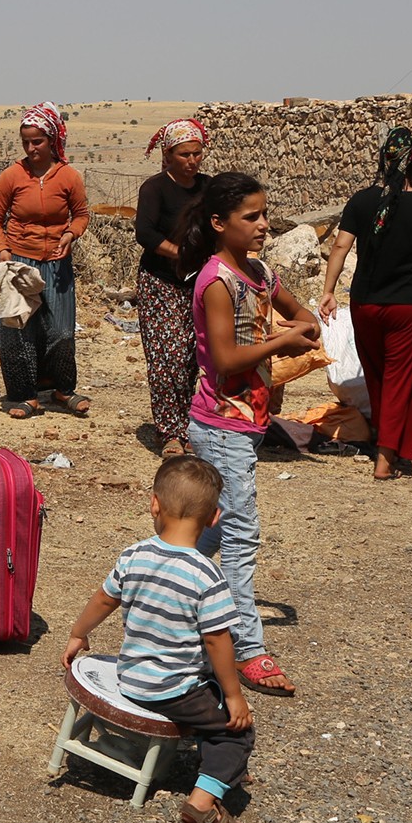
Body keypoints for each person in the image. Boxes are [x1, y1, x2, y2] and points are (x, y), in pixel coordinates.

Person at [61, 455, 254, 823]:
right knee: (235, 731)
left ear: (154, 504)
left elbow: (103, 599)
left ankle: (209, 763)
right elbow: (218, 640)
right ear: (215, 517)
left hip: (131, 676)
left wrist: (78, 634)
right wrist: (235, 696)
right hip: (172, 690)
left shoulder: (134, 555)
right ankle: (201, 807)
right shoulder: (207, 575)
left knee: (210, 693)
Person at [181, 172, 316, 698]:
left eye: (265, 214)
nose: (264, 225)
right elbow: (226, 358)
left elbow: (303, 315)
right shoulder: (216, 282)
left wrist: (295, 328)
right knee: (240, 537)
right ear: (219, 224)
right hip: (220, 424)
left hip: (246, 422)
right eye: (251, 217)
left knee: (210, 530)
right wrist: (281, 340)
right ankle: (247, 650)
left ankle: (154, 578)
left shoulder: (259, 273)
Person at [319, 128, 412, 480]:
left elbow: (340, 247)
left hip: (365, 304)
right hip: (408, 305)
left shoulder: (361, 200)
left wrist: (329, 291)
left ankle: (388, 444)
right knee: (401, 379)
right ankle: (386, 458)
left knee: (376, 376)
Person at [0, 103, 90, 419]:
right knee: (18, 330)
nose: (31, 148)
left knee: (61, 331)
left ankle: (62, 389)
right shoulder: (12, 176)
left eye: (38, 141)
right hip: (19, 263)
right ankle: (24, 396)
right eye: (26, 142)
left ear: (52, 139)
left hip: (57, 265)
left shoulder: (69, 177)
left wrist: (71, 234)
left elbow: (82, 215)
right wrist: (3, 250)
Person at [135, 118, 212, 457]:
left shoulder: (209, 188)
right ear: (168, 155)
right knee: (167, 358)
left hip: (202, 282)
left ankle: (190, 425)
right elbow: (146, 234)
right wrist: (182, 255)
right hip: (160, 283)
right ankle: (169, 432)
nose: (192, 161)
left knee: (195, 356)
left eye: (197, 154)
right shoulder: (154, 189)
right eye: (184, 155)